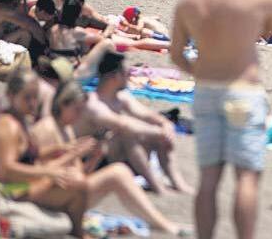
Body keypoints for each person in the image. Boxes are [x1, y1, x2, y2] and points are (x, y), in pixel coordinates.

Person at [169, 0, 272, 239]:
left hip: (206, 90)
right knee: (246, 177)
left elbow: (176, 55)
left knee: (209, 178)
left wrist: (199, 71)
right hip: (243, 90)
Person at [31, 82, 187, 236]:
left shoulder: (66, 129)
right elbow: (40, 174)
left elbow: (81, 174)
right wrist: (74, 154)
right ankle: (162, 224)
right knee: (118, 173)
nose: (79, 115)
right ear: (63, 105)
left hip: (70, 193)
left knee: (120, 171)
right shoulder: (47, 128)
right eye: (76, 109)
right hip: (47, 198)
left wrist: (95, 157)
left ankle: (159, 222)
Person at [0, 69, 89, 238]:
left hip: (20, 188)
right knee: (78, 185)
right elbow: (7, 169)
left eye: (35, 97)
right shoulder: (8, 126)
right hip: (7, 193)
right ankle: (77, 233)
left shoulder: (20, 119)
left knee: (77, 183)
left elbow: (27, 155)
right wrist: (48, 172)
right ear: (11, 96)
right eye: (27, 98)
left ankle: (75, 231)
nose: (33, 103)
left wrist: (59, 149)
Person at [75, 52, 192, 195]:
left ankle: (177, 183)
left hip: (110, 153)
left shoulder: (121, 96)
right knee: (128, 134)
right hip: (88, 160)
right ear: (115, 76)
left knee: (154, 134)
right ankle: (157, 186)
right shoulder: (93, 104)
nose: (130, 76)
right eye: (127, 73)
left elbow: (147, 114)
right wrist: (161, 132)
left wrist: (165, 124)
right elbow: (123, 124)